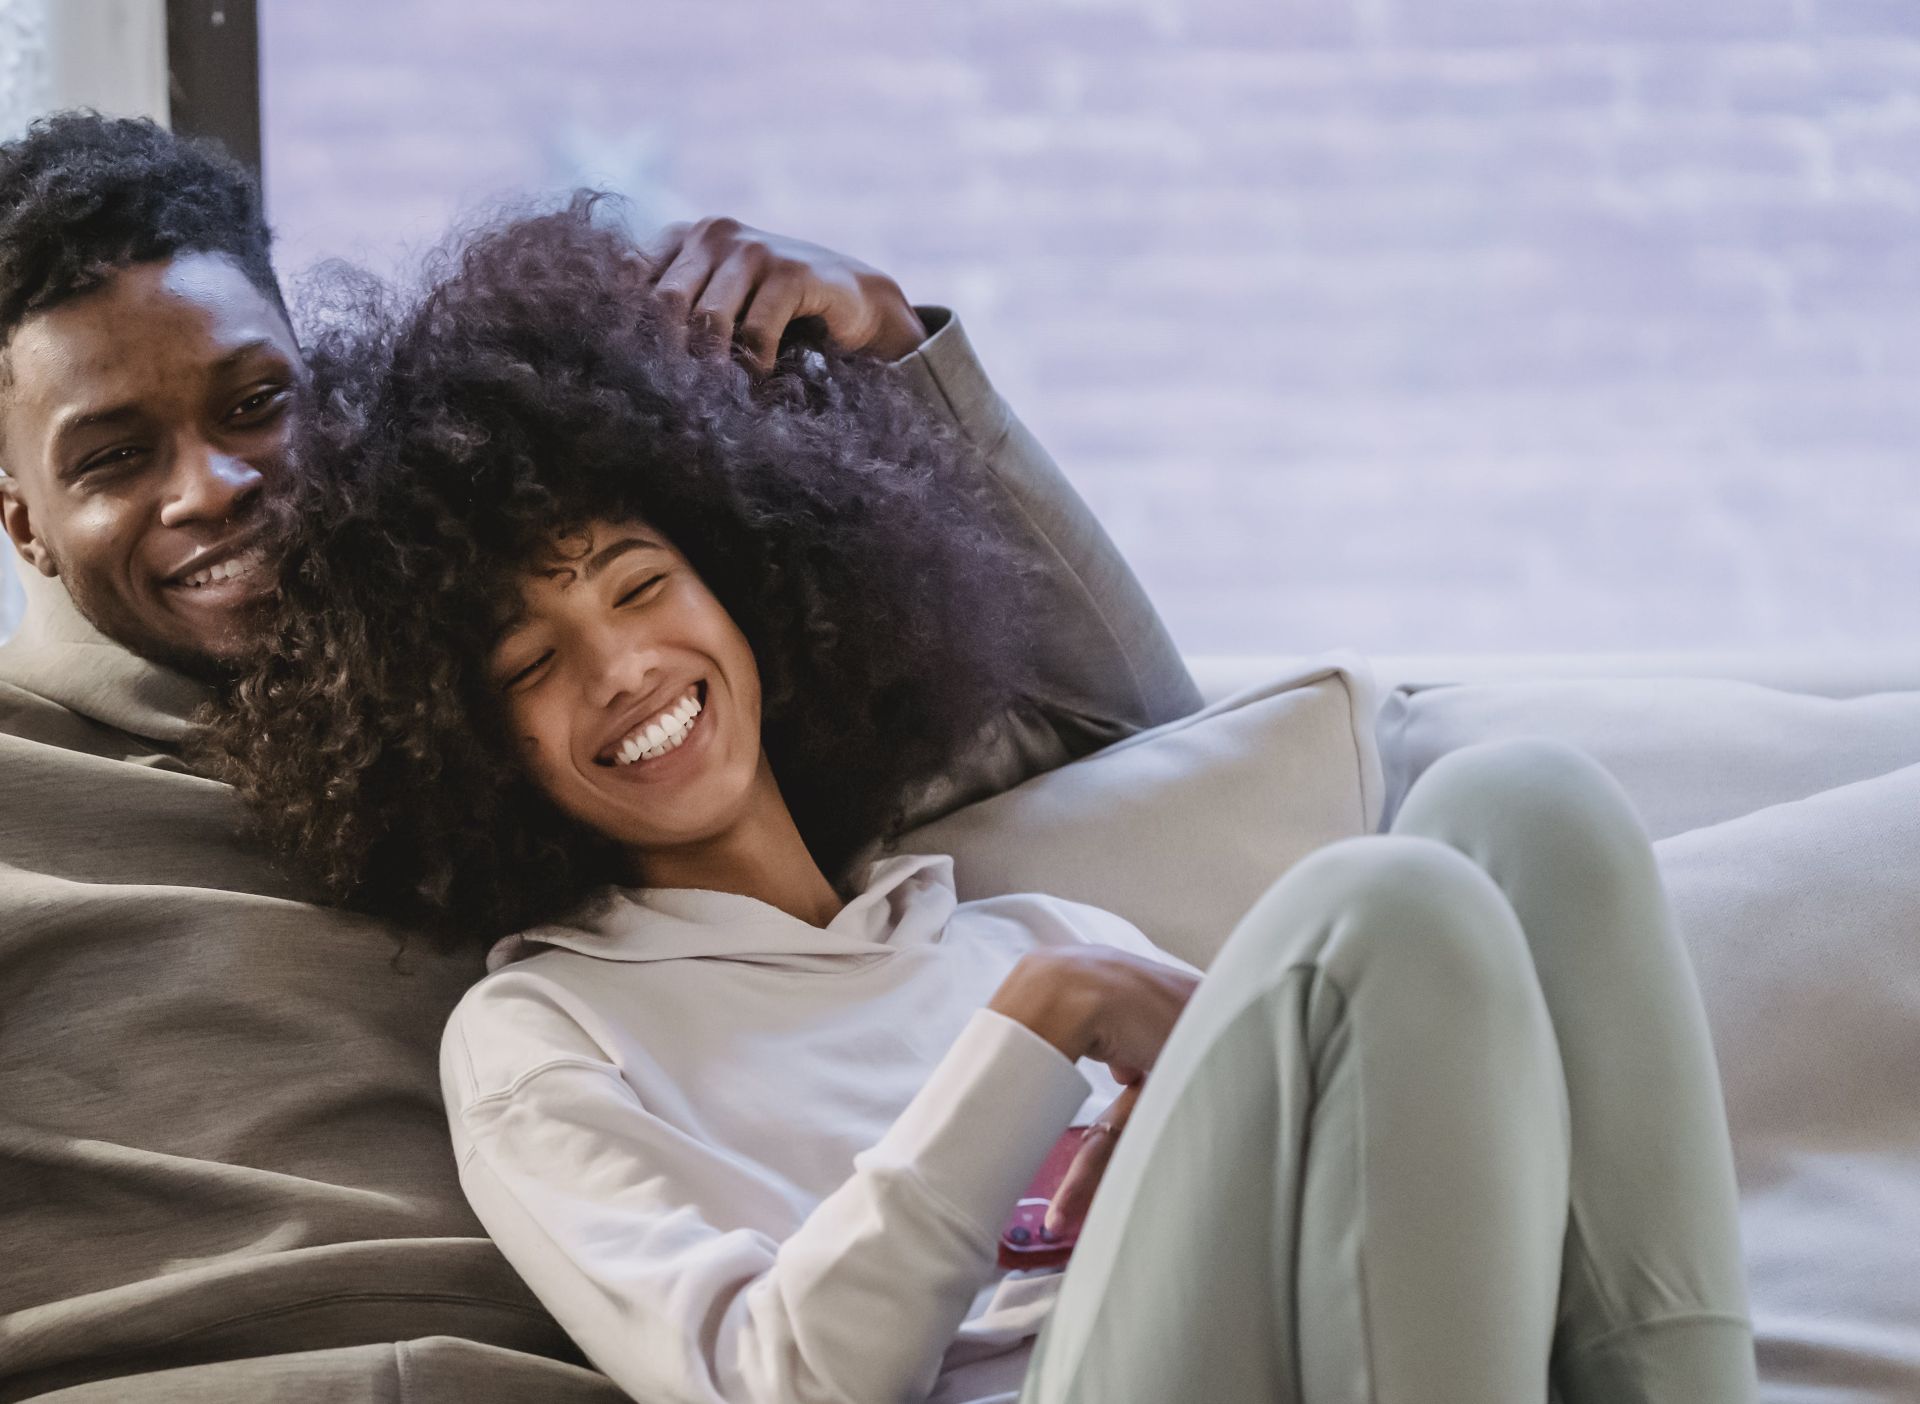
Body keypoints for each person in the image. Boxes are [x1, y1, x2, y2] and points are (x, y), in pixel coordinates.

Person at [211, 200, 1760, 1404]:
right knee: (1391, 903)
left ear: (753, 591)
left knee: (1528, 809)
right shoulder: (544, 1037)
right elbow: (772, 1378)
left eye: (642, 583)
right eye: (531, 661)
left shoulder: (1010, 925)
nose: (621, 666)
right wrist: (1036, 1033)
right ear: (459, 744)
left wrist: (1066, 1000)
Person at [0, 113, 1200, 1401]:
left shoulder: (602, 732)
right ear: (21, 518)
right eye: (115, 457)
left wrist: (894, 352)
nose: (213, 486)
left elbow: (1115, 739)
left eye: (256, 404)